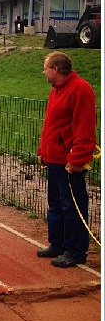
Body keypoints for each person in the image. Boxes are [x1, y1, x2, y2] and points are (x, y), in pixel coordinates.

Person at [36, 51, 96, 268]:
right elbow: (50, 124)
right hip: (54, 159)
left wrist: (78, 158)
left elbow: (85, 128)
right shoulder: (55, 92)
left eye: (45, 67)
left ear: (56, 70)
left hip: (69, 163)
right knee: (56, 204)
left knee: (73, 205)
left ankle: (76, 250)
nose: (43, 72)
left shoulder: (80, 89)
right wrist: (43, 150)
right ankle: (58, 243)